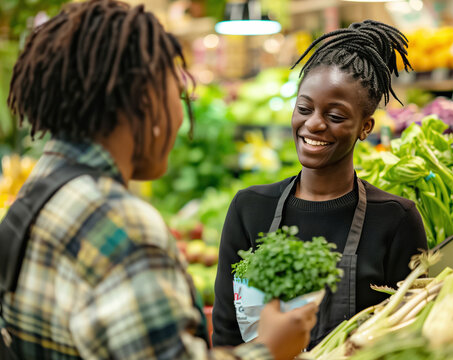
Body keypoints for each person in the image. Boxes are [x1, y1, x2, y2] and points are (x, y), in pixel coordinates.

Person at [0, 1, 317, 359]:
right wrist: (269, 348)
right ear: (145, 98)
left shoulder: (41, 189)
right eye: (178, 93)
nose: (182, 116)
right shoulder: (120, 225)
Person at [212, 20, 428, 349]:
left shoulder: (396, 219)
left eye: (336, 116)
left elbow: (409, 340)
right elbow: (227, 335)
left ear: (365, 127)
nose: (313, 124)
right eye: (304, 108)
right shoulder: (250, 208)